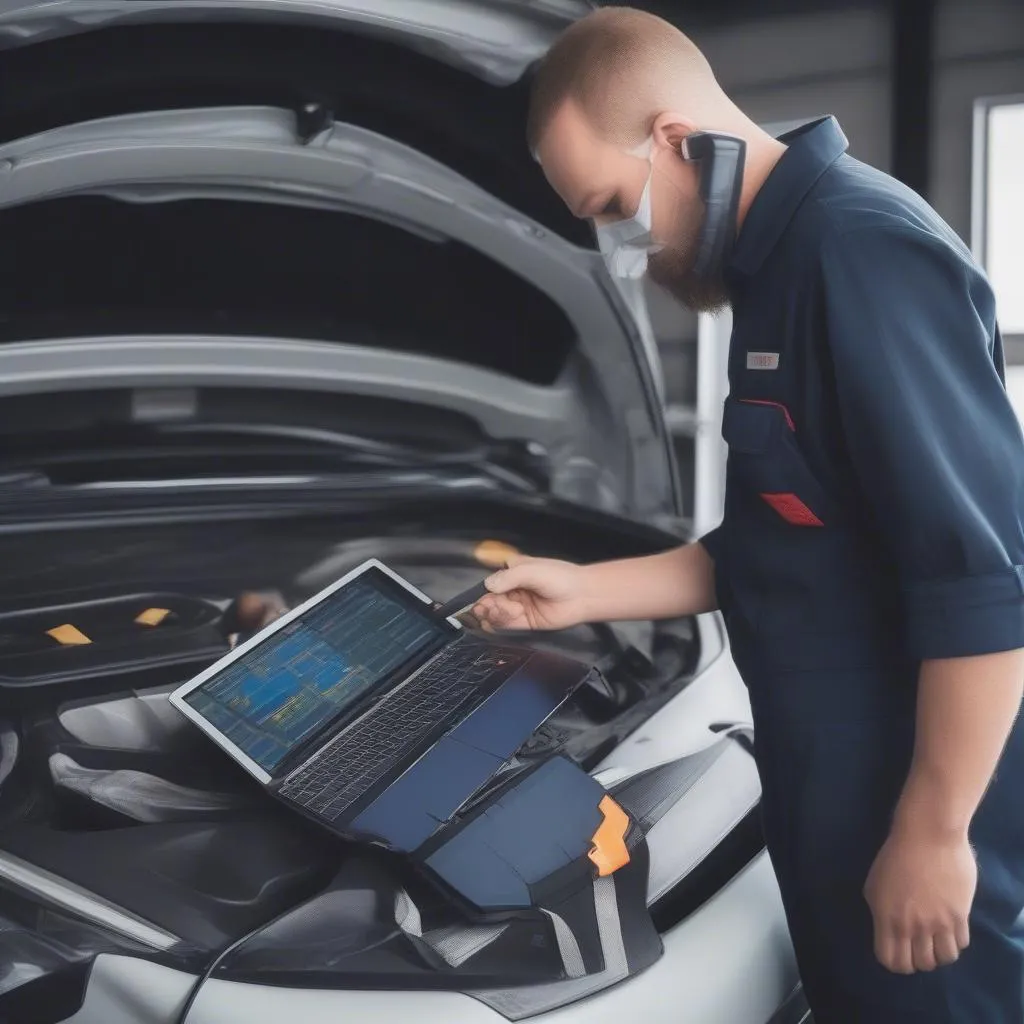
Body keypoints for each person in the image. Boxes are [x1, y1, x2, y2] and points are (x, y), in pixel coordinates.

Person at [471, 8, 1024, 1022]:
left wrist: (934, 833)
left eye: (608, 203)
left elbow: (983, 586)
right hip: (838, 808)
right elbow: (785, 545)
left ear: (677, 141)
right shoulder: (768, 273)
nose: (611, 242)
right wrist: (583, 591)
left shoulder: (859, 255)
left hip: (920, 818)